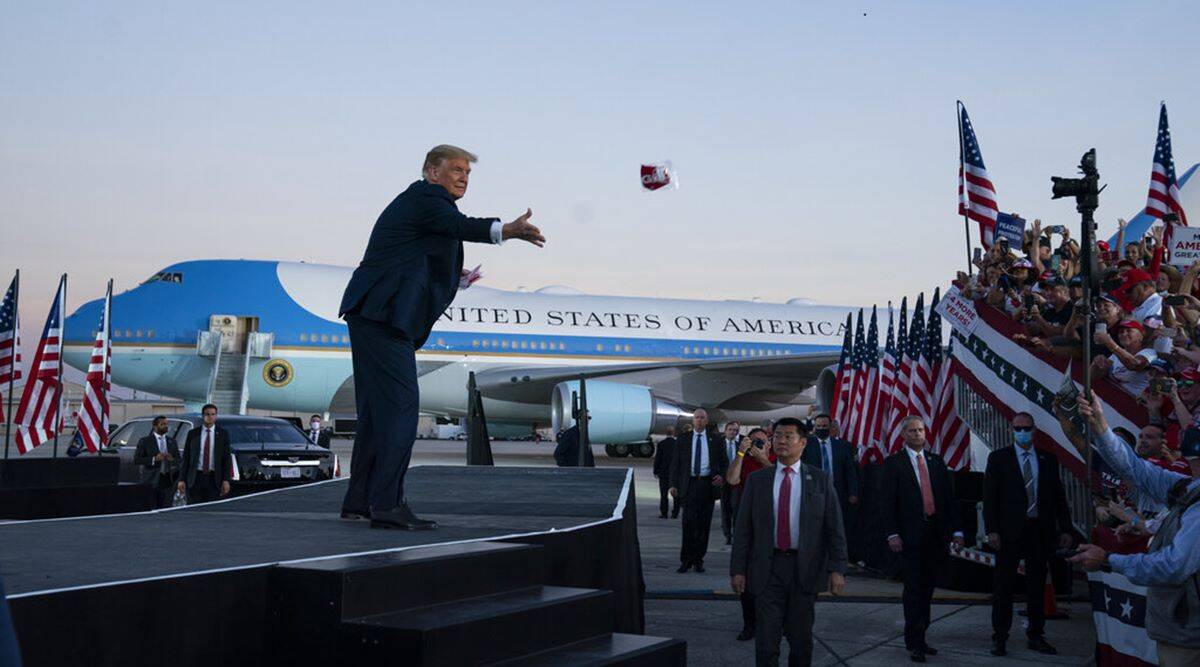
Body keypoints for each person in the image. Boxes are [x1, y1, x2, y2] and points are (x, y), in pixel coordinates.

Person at [337, 144, 545, 529]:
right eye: (456, 169)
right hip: (383, 319)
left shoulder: (425, 206)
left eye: (468, 172)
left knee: (376, 412)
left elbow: (418, 254)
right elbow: (459, 226)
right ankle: (386, 504)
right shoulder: (428, 198)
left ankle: (361, 498)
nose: (464, 177)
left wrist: (458, 278)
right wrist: (507, 230)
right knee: (400, 409)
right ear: (432, 172)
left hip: (372, 314)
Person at [1072, 395, 1200, 666]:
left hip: (1190, 638)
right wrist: (1101, 426)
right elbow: (1134, 469)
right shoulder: (1189, 487)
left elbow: (1174, 566)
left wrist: (1108, 560)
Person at [730, 417, 847, 666]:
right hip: (767, 569)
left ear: (803, 443)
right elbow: (743, 530)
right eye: (778, 436)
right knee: (766, 642)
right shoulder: (757, 481)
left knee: (801, 640)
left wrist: (837, 569)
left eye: (788, 436)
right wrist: (738, 569)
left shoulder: (820, 480)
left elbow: (834, 528)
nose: (781, 441)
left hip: (804, 570)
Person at [982, 412, 1073, 657]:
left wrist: (1065, 527)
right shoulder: (999, 459)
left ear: (1034, 430)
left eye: (1027, 428)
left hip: (1038, 531)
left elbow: (1058, 497)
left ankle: (1036, 634)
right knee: (1003, 586)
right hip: (1009, 532)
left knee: (1036, 586)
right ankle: (999, 636)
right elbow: (990, 498)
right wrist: (991, 530)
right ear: (1012, 429)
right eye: (1018, 428)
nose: (1022, 431)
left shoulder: (1047, 459)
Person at [881, 416, 964, 663]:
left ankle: (920, 636)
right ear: (903, 435)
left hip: (935, 535)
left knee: (927, 589)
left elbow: (949, 500)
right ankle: (915, 640)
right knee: (914, 589)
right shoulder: (894, 464)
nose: (918, 434)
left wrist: (957, 531)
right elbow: (886, 503)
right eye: (912, 431)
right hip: (909, 537)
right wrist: (892, 533)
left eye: (921, 430)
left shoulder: (936, 462)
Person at [726, 427, 775, 642]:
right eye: (754, 441)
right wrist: (740, 453)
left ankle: (771, 623)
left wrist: (763, 458)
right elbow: (732, 480)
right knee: (746, 577)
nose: (758, 445)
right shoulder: (743, 460)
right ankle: (750, 624)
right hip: (749, 523)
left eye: (762, 442)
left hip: (772, 526)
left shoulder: (775, 459)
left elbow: (781, 477)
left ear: (769, 444)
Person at [669, 408, 728, 573]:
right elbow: (675, 464)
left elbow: (724, 463)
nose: (700, 420)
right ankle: (685, 560)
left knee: (703, 525)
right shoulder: (683, 439)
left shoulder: (716, 440)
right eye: (697, 418)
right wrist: (673, 484)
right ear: (693, 420)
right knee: (688, 524)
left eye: (703, 418)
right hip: (689, 485)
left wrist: (721, 476)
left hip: (707, 486)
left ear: (707, 421)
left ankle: (698, 560)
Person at [802, 413, 859, 554]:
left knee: (837, 526)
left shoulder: (842, 446)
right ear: (815, 427)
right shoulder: (806, 445)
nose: (822, 428)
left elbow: (850, 471)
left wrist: (853, 492)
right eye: (819, 426)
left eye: (824, 426)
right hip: (813, 492)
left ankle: (837, 555)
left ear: (830, 427)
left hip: (837, 492)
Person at [177, 404, 232, 504]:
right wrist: (181, 479)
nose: (210, 417)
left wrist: (226, 480)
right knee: (194, 508)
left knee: (211, 509)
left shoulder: (223, 434)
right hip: (195, 478)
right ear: (203, 416)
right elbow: (186, 458)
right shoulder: (193, 434)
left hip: (214, 479)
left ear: (216, 416)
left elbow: (226, 459)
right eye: (207, 414)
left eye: (213, 414)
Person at [1093, 319, 1156, 396]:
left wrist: (1110, 343)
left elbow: (1134, 365)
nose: (1123, 334)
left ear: (1141, 335)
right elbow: (1093, 378)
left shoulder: (1150, 352)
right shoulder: (1116, 355)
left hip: (1134, 404)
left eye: (1129, 331)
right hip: (1113, 402)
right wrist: (1095, 365)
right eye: (1121, 332)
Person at [133, 416, 181, 508]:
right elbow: (137, 459)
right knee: (151, 506)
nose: (166, 426)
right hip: (151, 479)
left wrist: (172, 459)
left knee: (165, 506)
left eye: (167, 424)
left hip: (167, 479)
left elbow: (179, 460)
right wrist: (154, 459)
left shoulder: (171, 441)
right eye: (162, 424)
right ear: (155, 426)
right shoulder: (145, 441)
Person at [720, 420, 741, 545]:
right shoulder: (719, 445)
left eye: (735, 430)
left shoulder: (740, 446)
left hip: (736, 481)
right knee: (725, 508)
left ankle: (735, 532)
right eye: (731, 430)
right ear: (725, 431)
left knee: (736, 507)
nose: (733, 432)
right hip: (723, 481)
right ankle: (727, 533)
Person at [653, 426, 679, 519]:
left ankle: (664, 513)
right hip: (675, 473)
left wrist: (656, 471)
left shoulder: (661, 444)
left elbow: (658, 459)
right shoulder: (677, 444)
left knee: (663, 495)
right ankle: (675, 513)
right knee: (676, 494)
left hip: (663, 473)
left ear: (666, 433)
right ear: (673, 433)